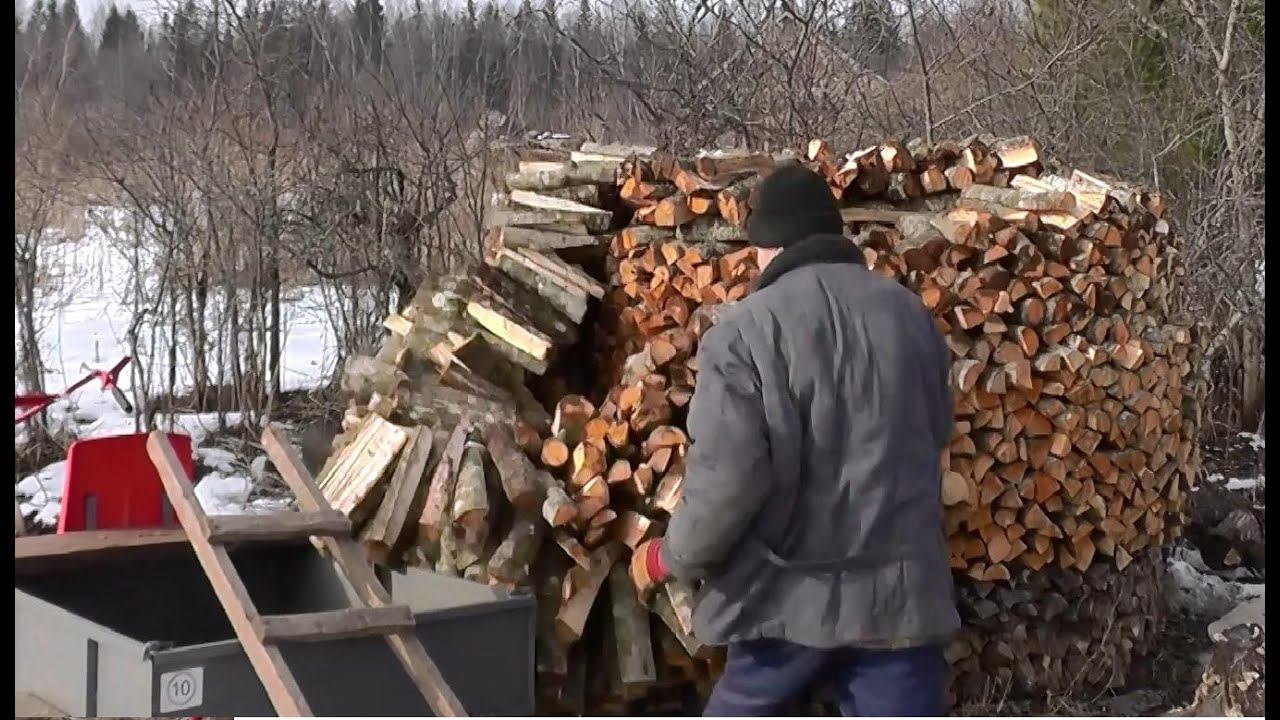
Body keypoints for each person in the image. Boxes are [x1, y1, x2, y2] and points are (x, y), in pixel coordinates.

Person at [629, 164, 960, 717]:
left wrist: (671, 557)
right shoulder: (911, 316)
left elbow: (727, 485)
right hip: (900, 604)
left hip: (785, 606)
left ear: (769, 247)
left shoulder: (743, 334)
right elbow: (938, 433)